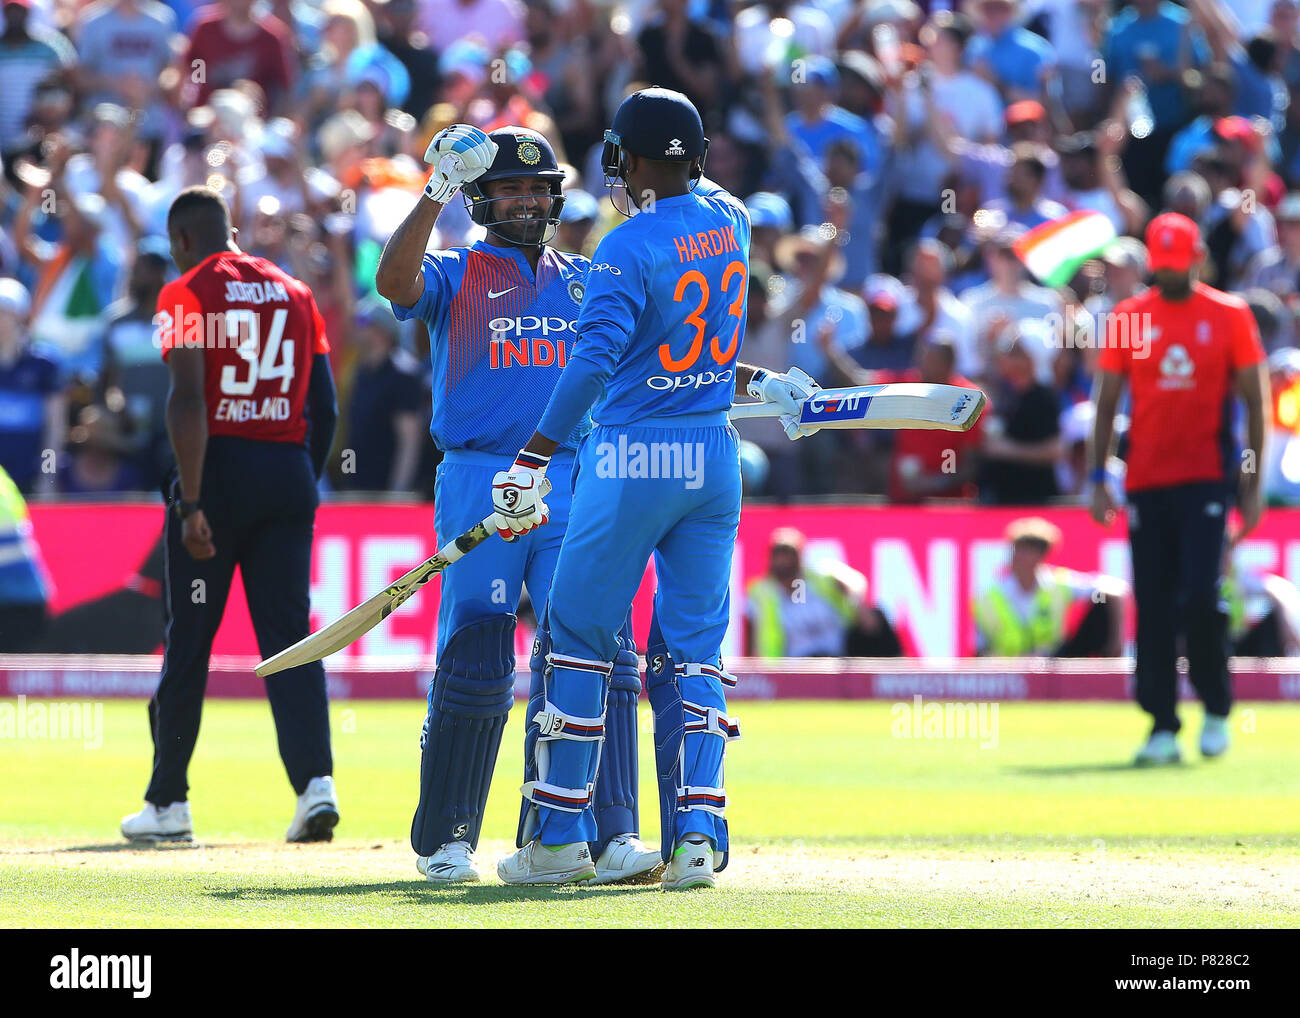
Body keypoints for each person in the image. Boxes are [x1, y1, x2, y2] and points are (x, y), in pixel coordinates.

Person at [485, 87, 818, 889]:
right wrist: (754, 381)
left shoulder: (625, 247)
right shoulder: (733, 221)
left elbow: (594, 363)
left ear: (628, 159)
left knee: (577, 639)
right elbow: (688, 347)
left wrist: (532, 458)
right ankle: (699, 838)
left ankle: (560, 841)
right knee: (696, 655)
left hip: (632, 456)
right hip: (713, 456)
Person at [374, 124, 660, 885]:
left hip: (573, 477)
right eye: (511, 189)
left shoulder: (586, 278)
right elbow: (393, 285)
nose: (529, 200)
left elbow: (655, 357)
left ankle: (598, 838)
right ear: (482, 198)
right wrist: (431, 192)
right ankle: (449, 839)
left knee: (595, 651)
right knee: (478, 649)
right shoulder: (458, 271)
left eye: (540, 189)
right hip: (481, 479)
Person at [121, 186, 339, 843]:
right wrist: (301, 475)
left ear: (182, 240)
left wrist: (190, 501)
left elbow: (187, 402)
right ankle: (315, 787)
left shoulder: (182, 292)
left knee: (190, 639)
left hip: (213, 475)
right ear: (233, 232)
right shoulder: (297, 294)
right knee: (291, 640)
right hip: (286, 474)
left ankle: (168, 804)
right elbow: (324, 408)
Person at [1089, 212, 1269, 766]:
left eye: (1177, 264)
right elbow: (1107, 401)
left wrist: (1253, 483)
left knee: (1199, 596)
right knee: (1155, 604)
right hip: (1146, 480)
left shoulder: (1230, 314)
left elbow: (1256, 402)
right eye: (1160, 266)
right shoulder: (1127, 317)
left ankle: (1216, 707)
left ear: (1196, 259)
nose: (1168, 276)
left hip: (1207, 480)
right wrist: (1098, 478)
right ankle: (1161, 725)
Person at [973, 517, 1127, 657]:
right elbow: (980, 649)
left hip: (1055, 664)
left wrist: (1116, 640)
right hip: (1011, 674)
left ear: (1041, 555)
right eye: (1015, 549)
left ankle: (1108, 675)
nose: (1016, 556)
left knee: (1103, 601)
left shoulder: (1057, 585)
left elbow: (1114, 589)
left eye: (1025, 550)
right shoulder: (990, 595)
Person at [746, 527, 899, 657]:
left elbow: (856, 583)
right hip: (795, 665)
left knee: (877, 615)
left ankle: (897, 677)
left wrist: (858, 605)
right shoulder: (762, 592)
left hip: (838, 657)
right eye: (779, 556)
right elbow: (755, 639)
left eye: (789, 556)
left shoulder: (821, 577)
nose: (784, 562)